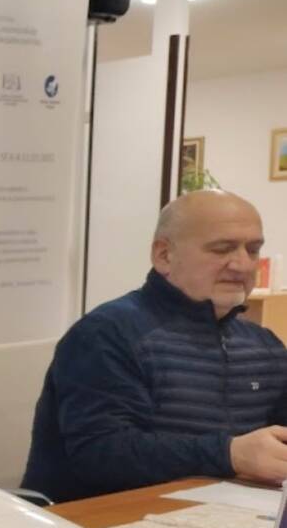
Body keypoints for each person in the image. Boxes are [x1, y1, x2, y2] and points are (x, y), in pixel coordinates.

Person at [24, 189, 287, 501]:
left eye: (253, 250)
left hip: (227, 513)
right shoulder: (107, 334)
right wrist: (229, 454)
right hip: (102, 518)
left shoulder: (263, 346)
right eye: (222, 249)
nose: (242, 265)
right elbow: (101, 453)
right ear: (164, 255)